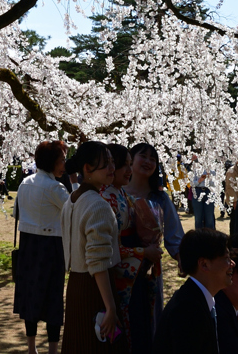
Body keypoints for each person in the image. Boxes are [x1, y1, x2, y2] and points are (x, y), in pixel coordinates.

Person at [60, 141, 125, 353]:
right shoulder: (97, 204)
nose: (112, 169)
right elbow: (97, 262)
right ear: (87, 169)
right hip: (94, 288)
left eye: (112, 163)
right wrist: (110, 306)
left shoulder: (72, 199)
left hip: (75, 286)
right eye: (105, 164)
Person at [101, 144, 163, 353]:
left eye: (129, 164)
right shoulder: (105, 197)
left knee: (139, 326)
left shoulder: (121, 194)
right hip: (117, 270)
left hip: (135, 270)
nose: (128, 170)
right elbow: (108, 248)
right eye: (123, 165)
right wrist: (144, 252)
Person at [13, 140, 69, 354]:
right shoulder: (55, 187)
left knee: (30, 295)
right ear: (52, 161)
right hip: (51, 244)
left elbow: (17, 214)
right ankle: (53, 349)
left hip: (28, 244)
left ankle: (31, 348)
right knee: (53, 297)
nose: (64, 164)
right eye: (62, 159)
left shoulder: (25, 182)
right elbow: (72, 211)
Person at [123, 142, 185, 330]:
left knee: (148, 322)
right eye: (143, 156)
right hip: (120, 264)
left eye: (153, 159)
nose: (148, 162)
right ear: (130, 160)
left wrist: (181, 258)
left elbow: (174, 234)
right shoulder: (116, 193)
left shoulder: (160, 197)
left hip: (150, 269)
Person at [152, 228, 234, 354]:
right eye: (226, 258)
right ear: (204, 264)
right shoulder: (187, 310)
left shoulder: (196, 299)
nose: (232, 264)